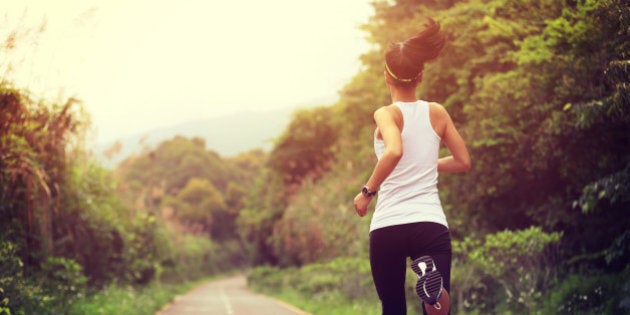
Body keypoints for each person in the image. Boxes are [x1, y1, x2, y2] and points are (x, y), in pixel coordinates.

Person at [353, 18, 471, 315]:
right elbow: (462, 161)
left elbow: (394, 150)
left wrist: (366, 192)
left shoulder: (386, 114)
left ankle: (431, 289)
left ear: (386, 77)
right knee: (436, 308)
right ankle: (433, 290)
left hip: (388, 225)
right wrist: (426, 166)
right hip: (428, 222)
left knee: (393, 307)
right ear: (421, 76)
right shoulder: (437, 112)